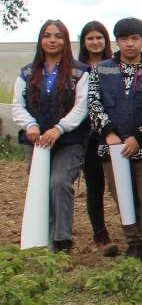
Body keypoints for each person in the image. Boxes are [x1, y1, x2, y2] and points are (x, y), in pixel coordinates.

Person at [87, 17, 142, 264]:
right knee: (123, 197)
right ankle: (134, 245)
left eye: (135, 38)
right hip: (113, 149)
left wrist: (140, 138)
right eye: (124, 39)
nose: (130, 44)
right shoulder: (101, 70)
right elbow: (93, 102)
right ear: (117, 41)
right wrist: (108, 132)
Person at [13, 20, 91, 253]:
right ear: (41, 40)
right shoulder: (27, 72)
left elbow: (82, 105)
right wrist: (30, 125)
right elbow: (18, 105)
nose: (52, 40)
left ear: (65, 41)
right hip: (36, 141)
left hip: (69, 140)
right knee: (39, 187)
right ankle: (39, 241)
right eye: (47, 36)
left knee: (59, 183)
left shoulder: (79, 71)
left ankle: (61, 242)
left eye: (58, 36)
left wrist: (59, 128)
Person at [77, 21, 115, 254]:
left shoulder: (115, 66)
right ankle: (100, 234)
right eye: (90, 38)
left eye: (99, 37)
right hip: (88, 136)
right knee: (95, 186)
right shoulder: (77, 69)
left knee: (119, 183)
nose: (95, 42)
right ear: (84, 42)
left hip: (113, 134)